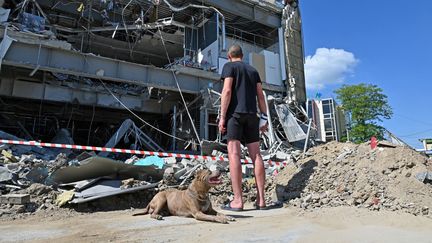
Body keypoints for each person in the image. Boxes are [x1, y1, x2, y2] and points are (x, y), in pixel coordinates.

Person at [218, 45, 268, 211]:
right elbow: (260, 95)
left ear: (229, 56)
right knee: (256, 155)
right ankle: (261, 200)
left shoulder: (229, 67)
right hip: (252, 115)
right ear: (242, 55)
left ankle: (238, 201)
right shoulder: (253, 70)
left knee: (234, 153)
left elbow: (226, 91)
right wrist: (264, 118)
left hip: (235, 115)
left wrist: (223, 117)